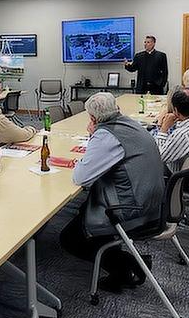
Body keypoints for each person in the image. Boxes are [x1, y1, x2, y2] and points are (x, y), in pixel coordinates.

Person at [60, 92, 165, 291]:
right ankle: (122, 255)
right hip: (154, 202)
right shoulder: (131, 124)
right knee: (83, 208)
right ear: (117, 109)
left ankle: (128, 266)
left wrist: (93, 137)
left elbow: (81, 177)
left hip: (132, 209)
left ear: (92, 118)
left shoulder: (106, 136)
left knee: (69, 238)